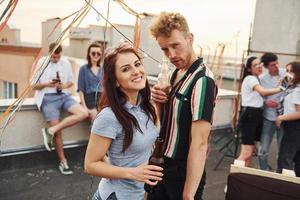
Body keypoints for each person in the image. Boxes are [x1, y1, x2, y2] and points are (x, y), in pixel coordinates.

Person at [148, 12, 217, 200]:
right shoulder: (177, 73)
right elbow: (165, 124)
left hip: (182, 171)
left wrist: (188, 195)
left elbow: (201, 143)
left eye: (175, 45)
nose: (171, 54)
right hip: (162, 164)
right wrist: (159, 101)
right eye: (164, 49)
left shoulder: (203, 81)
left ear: (190, 38)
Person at [84, 43, 163, 200]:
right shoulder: (109, 117)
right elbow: (90, 164)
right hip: (116, 196)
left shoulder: (147, 107)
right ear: (116, 82)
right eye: (126, 69)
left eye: (137, 64)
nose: (136, 72)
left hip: (139, 194)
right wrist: (133, 173)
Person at [33, 43, 89, 175]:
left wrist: (62, 86)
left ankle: (50, 130)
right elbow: (33, 86)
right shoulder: (41, 62)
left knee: (83, 113)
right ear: (49, 53)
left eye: (58, 57)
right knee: (58, 132)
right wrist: (47, 84)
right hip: (47, 98)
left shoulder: (65, 63)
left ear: (61, 54)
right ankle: (63, 161)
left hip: (63, 95)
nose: (56, 59)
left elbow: (70, 82)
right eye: (53, 57)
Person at [237, 56, 282, 167]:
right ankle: (231, 182)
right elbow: (262, 92)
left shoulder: (257, 78)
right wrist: (281, 88)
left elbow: (256, 97)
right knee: (246, 152)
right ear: (249, 69)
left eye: (260, 64)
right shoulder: (251, 79)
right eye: (255, 65)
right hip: (250, 115)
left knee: (250, 152)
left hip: (256, 114)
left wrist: (265, 102)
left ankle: (242, 179)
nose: (259, 67)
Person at [258, 52, 285, 171]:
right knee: (263, 150)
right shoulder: (261, 79)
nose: (276, 66)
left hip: (284, 118)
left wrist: (280, 104)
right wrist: (265, 102)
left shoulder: (285, 74)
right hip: (268, 117)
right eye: (273, 65)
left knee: (283, 150)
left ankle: (279, 174)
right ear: (266, 66)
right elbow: (258, 96)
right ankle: (264, 173)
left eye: (277, 63)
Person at [276, 61, 300, 177]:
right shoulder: (292, 88)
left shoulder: (297, 90)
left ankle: (282, 187)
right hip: (292, 126)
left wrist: (281, 117)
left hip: (294, 126)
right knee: (296, 159)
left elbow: (299, 113)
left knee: (284, 159)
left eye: (291, 71)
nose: (288, 74)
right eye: (286, 71)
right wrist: (282, 84)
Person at [78, 42, 103, 121]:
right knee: (95, 116)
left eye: (98, 53)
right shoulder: (83, 69)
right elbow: (80, 89)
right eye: (93, 53)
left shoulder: (103, 69)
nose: (96, 55)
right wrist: (84, 107)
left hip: (101, 99)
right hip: (89, 99)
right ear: (89, 54)